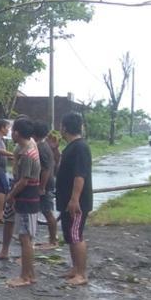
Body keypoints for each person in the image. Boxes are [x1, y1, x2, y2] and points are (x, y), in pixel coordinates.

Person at [57, 111, 93, 286]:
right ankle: (74, 268)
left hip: (76, 202)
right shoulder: (71, 147)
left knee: (76, 235)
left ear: (64, 128)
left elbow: (80, 176)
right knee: (69, 235)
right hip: (67, 200)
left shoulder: (80, 147)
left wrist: (74, 199)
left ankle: (81, 273)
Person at [4, 118, 41, 287]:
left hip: (27, 200)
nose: (11, 133)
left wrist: (10, 195)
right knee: (26, 238)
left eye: (12, 131)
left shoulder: (27, 155)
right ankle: (30, 274)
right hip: (30, 199)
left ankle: (24, 277)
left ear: (17, 133)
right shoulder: (30, 146)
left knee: (25, 238)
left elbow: (23, 181)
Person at [33, 121, 60, 248]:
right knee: (44, 211)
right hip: (47, 183)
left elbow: (45, 169)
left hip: (46, 184)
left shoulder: (42, 147)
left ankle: (53, 240)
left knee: (48, 212)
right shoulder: (45, 146)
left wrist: (42, 187)